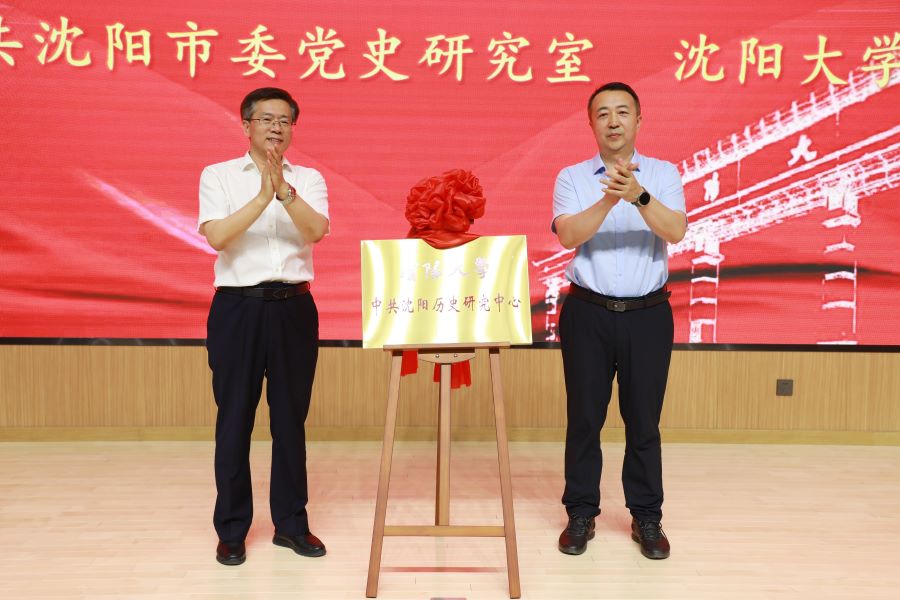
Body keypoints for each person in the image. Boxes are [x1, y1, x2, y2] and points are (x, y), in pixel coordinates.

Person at [551, 82, 687, 559]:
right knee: (584, 419)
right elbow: (569, 235)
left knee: (644, 421)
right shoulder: (572, 177)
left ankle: (647, 517)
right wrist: (611, 197)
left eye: (623, 112)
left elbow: (676, 230)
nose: (613, 121)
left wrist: (639, 195)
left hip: (648, 316)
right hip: (587, 313)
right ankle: (580, 513)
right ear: (591, 123)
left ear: (638, 121)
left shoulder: (664, 173)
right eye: (603, 113)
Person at [198, 87, 330, 566]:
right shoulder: (217, 175)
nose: (276, 127)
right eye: (266, 119)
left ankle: (291, 525)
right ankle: (232, 529)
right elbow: (217, 235)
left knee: (290, 420)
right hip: (238, 309)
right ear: (246, 125)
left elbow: (316, 230)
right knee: (234, 418)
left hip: (294, 308)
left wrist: (285, 192)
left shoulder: (308, 178)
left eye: (285, 121)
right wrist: (262, 195)